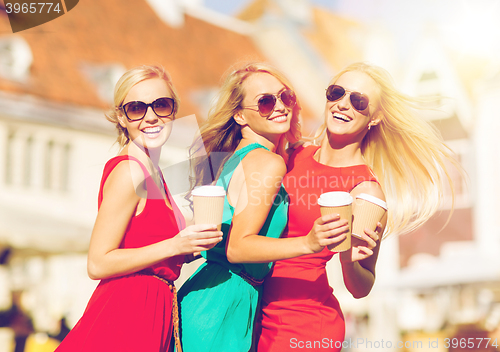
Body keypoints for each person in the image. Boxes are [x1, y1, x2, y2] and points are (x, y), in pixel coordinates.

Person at [255, 62, 460, 351]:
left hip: (304, 322)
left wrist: (350, 260)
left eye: (358, 101)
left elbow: (361, 287)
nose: (343, 104)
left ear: (375, 118)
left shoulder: (365, 189)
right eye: (337, 92)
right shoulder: (290, 154)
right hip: (255, 308)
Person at [177, 62, 354, 352]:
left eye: (285, 97)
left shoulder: (231, 158)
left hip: (209, 296)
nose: (280, 106)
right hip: (225, 304)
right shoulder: (269, 163)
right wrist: (309, 243)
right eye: (265, 102)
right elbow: (238, 247)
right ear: (239, 115)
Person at [55, 65, 222, 352]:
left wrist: (196, 243)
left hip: (151, 310)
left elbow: (156, 247)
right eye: (136, 108)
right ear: (121, 116)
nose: (151, 116)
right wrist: (174, 245)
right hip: (125, 312)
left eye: (161, 105)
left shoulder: (151, 171)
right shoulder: (130, 171)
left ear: (173, 110)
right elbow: (98, 262)